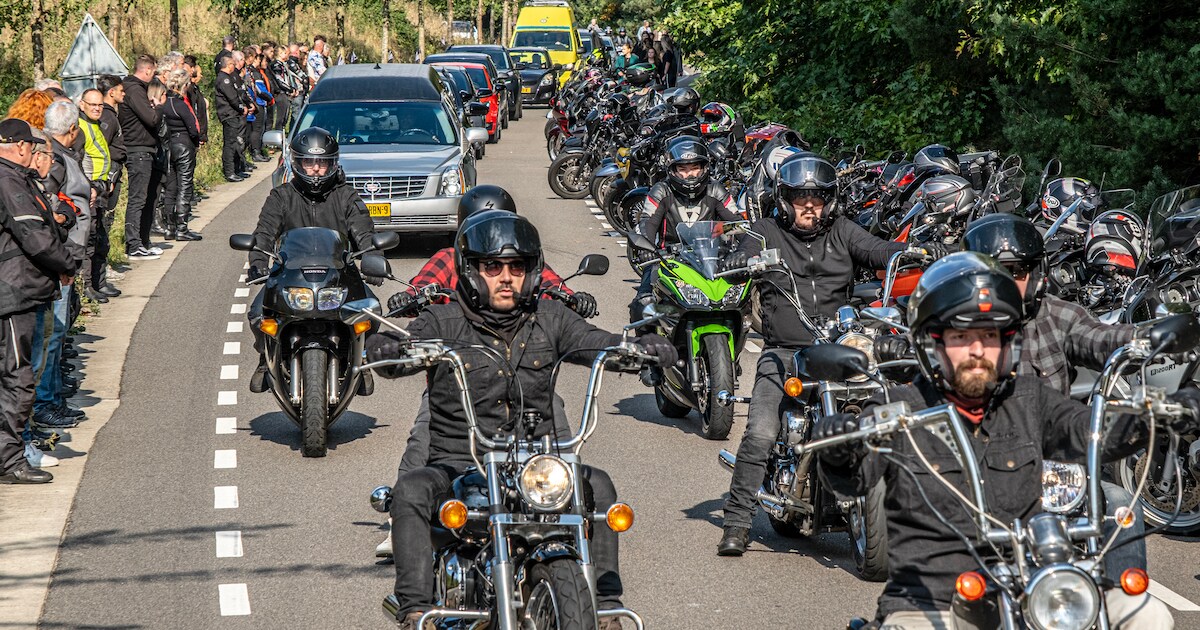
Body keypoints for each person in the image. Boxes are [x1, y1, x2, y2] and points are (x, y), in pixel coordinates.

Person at [814, 252, 1177, 629]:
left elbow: (1089, 432)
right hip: (933, 601)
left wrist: (1154, 418)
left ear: (1008, 344)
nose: (977, 351)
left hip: (1031, 585)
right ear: (933, 344)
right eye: (961, 336)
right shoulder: (897, 408)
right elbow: (853, 478)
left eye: (989, 336)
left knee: (1147, 616)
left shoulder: (1029, 399)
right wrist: (839, 450)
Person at [364, 210, 675, 630]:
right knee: (411, 490)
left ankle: (604, 604)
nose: (505, 277)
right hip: (460, 459)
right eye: (493, 267)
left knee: (598, 484)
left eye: (516, 267)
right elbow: (407, 343)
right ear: (471, 271)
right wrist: (386, 347)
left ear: (531, 271)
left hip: (536, 463)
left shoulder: (551, 318)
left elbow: (595, 341)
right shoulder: (443, 320)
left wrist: (637, 346)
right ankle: (416, 609)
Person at [715, 155, 936, 556]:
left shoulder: (843, 231)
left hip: (840, 345)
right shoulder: (765, 232)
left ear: (829, 200)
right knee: (762, 430)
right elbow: (743, 249)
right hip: (784, 351)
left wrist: (913, 251)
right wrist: (740, 261)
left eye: (817, 197)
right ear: (784, 199)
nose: (809, 205)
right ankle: (736, 522)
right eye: (800, 197)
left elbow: (877, 248)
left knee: (893, 407)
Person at [245, 127, 383, 391]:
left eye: (323, 162)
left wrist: (372, 258)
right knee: (256, 314)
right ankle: (266, 356)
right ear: (297, 163)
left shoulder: (347, 197)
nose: (316, 169)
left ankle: (360, 357)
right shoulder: (281, 196)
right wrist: (258, 262)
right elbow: (263, 233)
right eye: (309, 162)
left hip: (339, 276)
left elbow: (365, 233)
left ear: (333, 163)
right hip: (289, 276)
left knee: (372, 310)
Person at [0, 118, 77, 484]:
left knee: (16, 375)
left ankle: (12, 454)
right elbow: (34, 235)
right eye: (30, 145)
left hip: (19, 289)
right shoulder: (8, 180)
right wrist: (66, 265)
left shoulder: (16, 178)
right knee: (17, 377)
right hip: (13, 293)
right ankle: (11, 460)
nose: (34, 151)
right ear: (16, 145)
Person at [629, 136, 742, 322]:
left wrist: (745, 249)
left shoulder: (716, 190)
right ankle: (644, 348)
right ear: (672, 170)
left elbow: (737, 223)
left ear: (705, 168)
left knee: (741, 301)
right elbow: (647, 223)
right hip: (668, 260)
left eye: (695, 168)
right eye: (683, 169)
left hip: (711, 260)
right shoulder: (660, 191)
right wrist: (646, 249)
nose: (690, 174)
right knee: (644, 304)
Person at [72, 89, 118, 302]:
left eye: (100, 105)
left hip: (99, 189)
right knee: (89, 240)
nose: (98, 108)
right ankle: (88, 286)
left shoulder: (95, 124)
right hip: (89, 191)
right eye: (93, 105)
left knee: (100, 238)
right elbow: (79, 161)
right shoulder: (80, 128)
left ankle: (98, 282)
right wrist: (89, 186)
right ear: (82, 105)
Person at [119, 54, 166, 261]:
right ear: (147, 70)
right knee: (137, 198)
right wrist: (158, 106)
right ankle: (133, 244)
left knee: (146, 197)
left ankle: (143, 241)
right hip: (137, 150)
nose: (154, 76)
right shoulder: (135, 90)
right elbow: (151, 118)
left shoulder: (135, 89)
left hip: (145, 148)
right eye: (154, 72)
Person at [162, 68, 203, 242]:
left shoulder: (164, 103)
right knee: (185, 187)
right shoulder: (181, 104)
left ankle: (170, 227)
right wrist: (197, 140)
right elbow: (194, 128)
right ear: (184, 85)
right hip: (184, 145)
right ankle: (182, 228)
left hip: (168, 146)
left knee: (170, 187)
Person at [214, 54, 249, 182]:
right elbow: (232, 98)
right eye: (233, 64)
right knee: (230, 144)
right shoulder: (224, 79)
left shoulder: (229, 78)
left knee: (235, 142)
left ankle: (236, 169)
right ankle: (229, 172)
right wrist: (241, 107)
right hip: (228, 114)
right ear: (229, 65)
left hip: (233, 114)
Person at [242, 47, 273, 163]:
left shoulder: (252, 71)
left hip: (257, 102)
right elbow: (259, 89)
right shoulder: (252, 72)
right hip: (257, 102)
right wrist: (269, 97)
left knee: (258, 129)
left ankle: (258, 151)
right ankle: (255, 152)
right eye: (256, 58)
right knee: (256, 129)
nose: (258, 61)